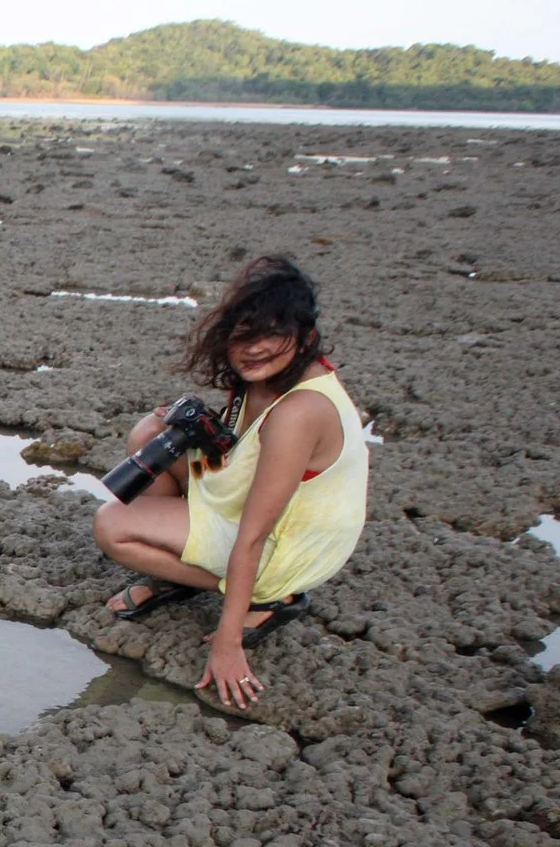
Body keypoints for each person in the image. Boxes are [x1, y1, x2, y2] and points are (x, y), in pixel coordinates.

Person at [91, 255, 369, 710]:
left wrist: (228, 639)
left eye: (272, 335)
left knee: (112, 525)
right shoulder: (264, 378)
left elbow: (255, 533)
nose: (254, 349)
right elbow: (241, 449)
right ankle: (181, 575)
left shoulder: (300, 412)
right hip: (251, 507)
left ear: (306, 337)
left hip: (286, 544)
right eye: (244, 335)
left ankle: (271, 599)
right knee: (151, 434)